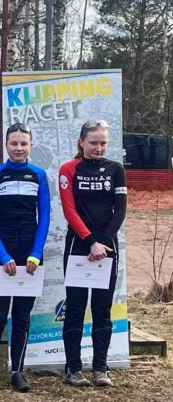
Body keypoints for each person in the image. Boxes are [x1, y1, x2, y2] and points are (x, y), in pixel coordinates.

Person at [0, 123, 51, 392]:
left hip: (29, 257)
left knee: (22, 317)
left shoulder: (39, 175)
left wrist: (36, 254)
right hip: (2, 256)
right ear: (6, 145)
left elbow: (44, 217)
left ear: (31, 145)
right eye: (14, 143)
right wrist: (3, 255)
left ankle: (17, 371)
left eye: (23, 143)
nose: (19, 148)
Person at [59, 119, 127, 388]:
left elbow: (120, 210)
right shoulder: (68, 169)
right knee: (75, 308)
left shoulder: (116, 169)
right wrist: (90, 242)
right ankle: (73, 369)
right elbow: (69, 211)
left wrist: (103, 242)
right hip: (78, 246)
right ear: (81, 142)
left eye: (103, 143)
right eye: (93, 143)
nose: (98, 148)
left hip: (107, 246)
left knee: (102, 308)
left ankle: (100, 368)